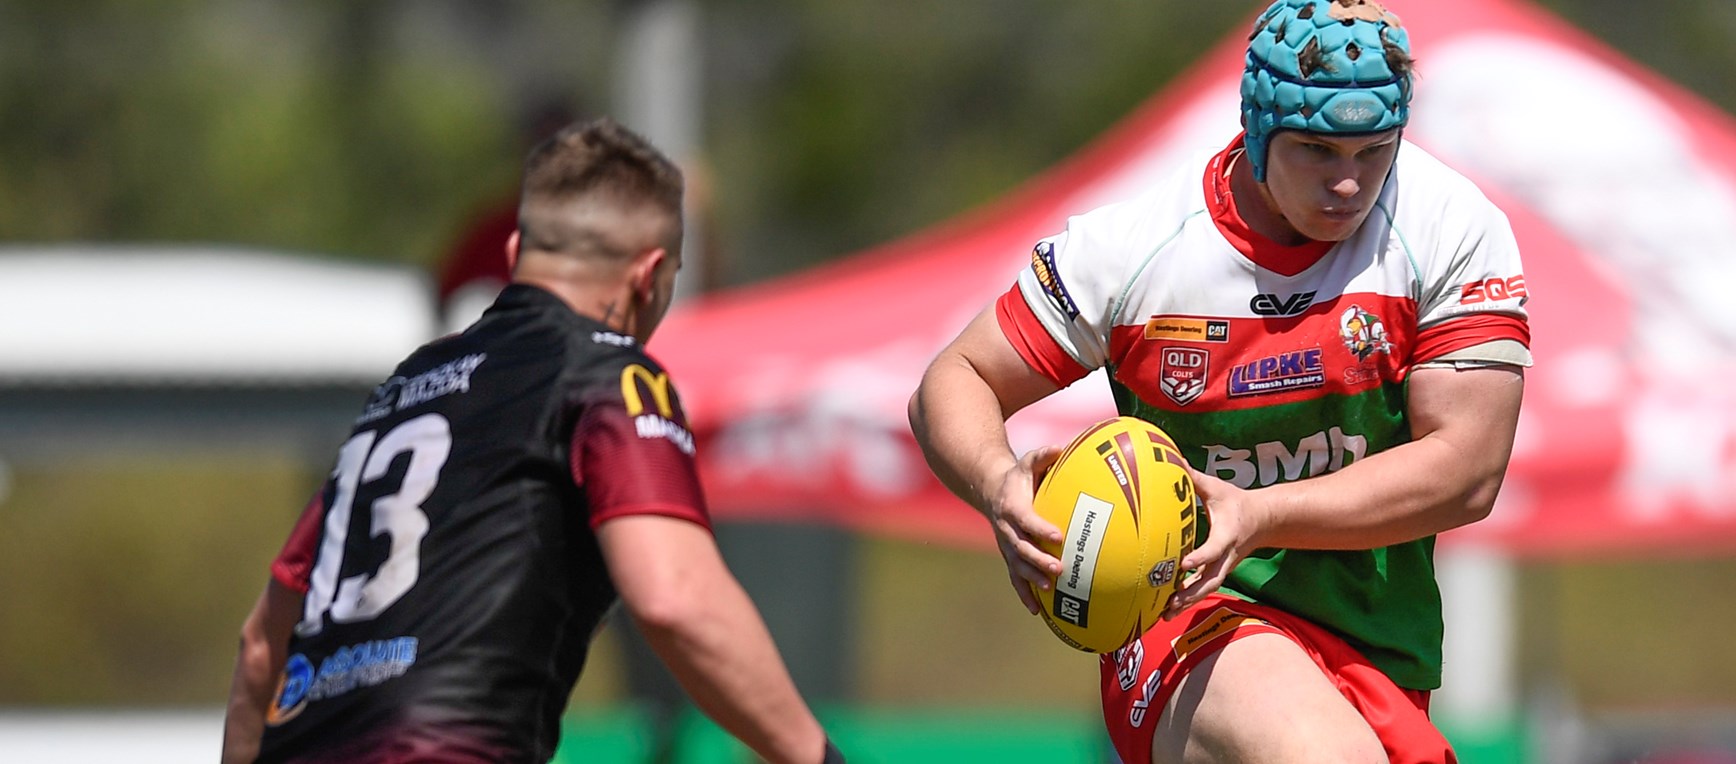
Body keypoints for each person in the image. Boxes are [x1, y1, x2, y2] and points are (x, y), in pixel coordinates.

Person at [908, 1, 1529, 762]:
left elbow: (1468, 471)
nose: (1348, 183)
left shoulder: (1450, 227)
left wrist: (1261, 515)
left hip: (1378, 643)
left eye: (1374, 151)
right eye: (1317, 149)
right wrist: (996, 481)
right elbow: (957, 377)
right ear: (1258, 130)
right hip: (1185, 615)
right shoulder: (1134, 248)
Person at [223, 118, 843, 764]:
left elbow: (262, 645)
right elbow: (674, 597)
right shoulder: (608, 374)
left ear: (518, 249)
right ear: (649, 275)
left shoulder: (405, 391)